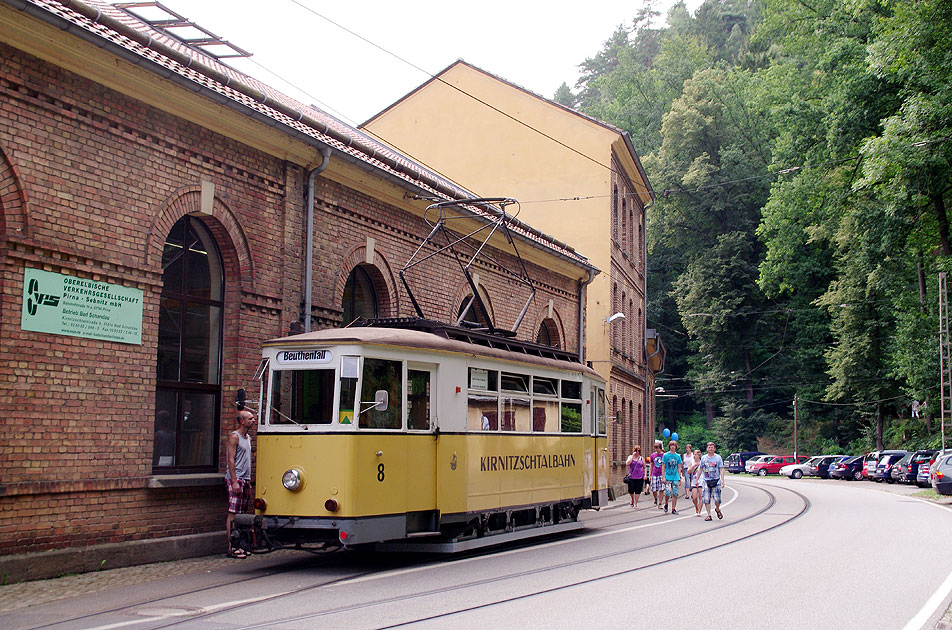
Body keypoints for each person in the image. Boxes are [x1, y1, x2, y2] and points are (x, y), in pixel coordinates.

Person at [225, 409, 256, 558]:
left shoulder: (248, 438)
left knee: (242, 514)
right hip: (236, 479)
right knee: (233, 513)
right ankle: (232, 547)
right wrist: (234, 481)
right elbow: (230, 460)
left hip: (245, 479)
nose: (253, 421)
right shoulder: (234, 437)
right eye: (250, 419)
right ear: (242, 421)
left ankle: (241, 546)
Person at [700, 441, 725, 521]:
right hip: (706, 480)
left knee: (717, 499)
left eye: (712, 447)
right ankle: (709, 515)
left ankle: (717, 509)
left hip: (716, 480)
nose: (710, 448)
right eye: (709, 447)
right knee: (706, 499)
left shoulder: (718, 458)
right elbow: (700, 468)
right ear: (707, 449)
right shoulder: (703, 458)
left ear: (714, 449)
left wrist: (722, 481)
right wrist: (697, 479)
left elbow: (721, 469)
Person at [661, 440, 683, 514]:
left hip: (675, 477)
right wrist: (663, 477)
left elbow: (679, 467)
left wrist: (680, 477)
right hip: (667, 476)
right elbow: (663, 466)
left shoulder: (678, 456)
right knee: (667, 492)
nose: (672, 447)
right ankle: (666, 503)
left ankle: (673, 508)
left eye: (674, 445)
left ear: (676, 447)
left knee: (675, 493)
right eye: (671, 445)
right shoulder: (666, 455)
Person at [649, 441, 665, 508]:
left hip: (661, 474)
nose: (657, 449)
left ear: (660, 448)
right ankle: (655, 498)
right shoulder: (653, 455)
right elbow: (651, 465)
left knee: (661, 489)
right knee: (654, 489)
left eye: (658, 448)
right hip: (654, 474)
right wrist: (649, 475)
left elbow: (665, 465)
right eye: (655, 448)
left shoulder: (664, 455)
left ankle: (660, 503)